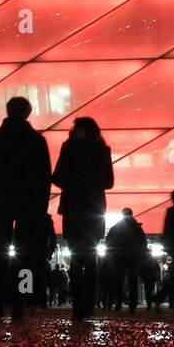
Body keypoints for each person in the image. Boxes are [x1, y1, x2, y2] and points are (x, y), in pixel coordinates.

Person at [0, 96, 53, 321]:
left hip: (2, 199)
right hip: (29, 203)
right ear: (27, 113)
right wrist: (42, 205)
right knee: (25, 254)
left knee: (1, 252)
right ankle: (21, 300)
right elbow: (45, 174)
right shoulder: (36, 140)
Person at [52, 116, 113, 321]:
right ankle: (88, 303)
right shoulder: (102, 150)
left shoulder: (69, 148)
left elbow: (58, 177)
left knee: (77, 257)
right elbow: (109, 182)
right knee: (90, 257)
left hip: (73, 209)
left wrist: (74, 182)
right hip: (94, 210)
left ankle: (79, 304)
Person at [107, 208, 147, 312]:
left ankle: (119, 302)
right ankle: (132, 304)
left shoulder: (116, 227)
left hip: (119, 257)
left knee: (119, 280)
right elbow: (143, 242)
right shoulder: (137, 227)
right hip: (133, 257)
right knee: (133, 281)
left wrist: (112, 253)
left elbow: (109, 241)